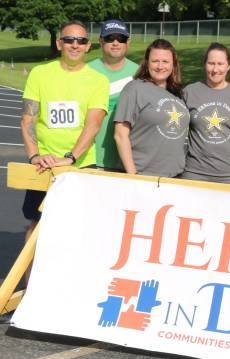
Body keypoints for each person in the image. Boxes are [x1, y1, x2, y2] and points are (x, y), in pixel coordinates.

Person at [4, 20, 109, 324]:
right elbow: (28, 119)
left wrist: (69, 157)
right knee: (36, 224)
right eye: (69, 40)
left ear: (88, 46)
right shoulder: (40, 73)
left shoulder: (96, 80)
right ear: (60, 43)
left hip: (79, 163)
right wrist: (35, 155)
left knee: (79, 228)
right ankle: (28, 290)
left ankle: (74, 293)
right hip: (43, 165)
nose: (75, 45)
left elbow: (93, 123)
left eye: (80, 41)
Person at [181, 43, 230, 185]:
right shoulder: (189, 92)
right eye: (211, 63)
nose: (215, 69)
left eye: (220, 64)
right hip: (194, 173)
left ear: (228, 66)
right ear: (205, 65)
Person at [114, 39, 188, 178]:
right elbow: (120, 134)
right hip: (143, 175)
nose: (160, 66)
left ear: (173, 65)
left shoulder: (178, 94)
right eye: (155, 61)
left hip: (176, 176)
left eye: (165, 61)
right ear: (147, 63)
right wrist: (133, 175)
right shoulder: (135, 88)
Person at [88, 19, 138, 171]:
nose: (116, 43)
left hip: (127, 161)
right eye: (110, 38)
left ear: (127, 42)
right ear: (101, 41)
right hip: (90, 158)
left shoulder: (139, 73)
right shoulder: (87, 71)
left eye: (121, 38)